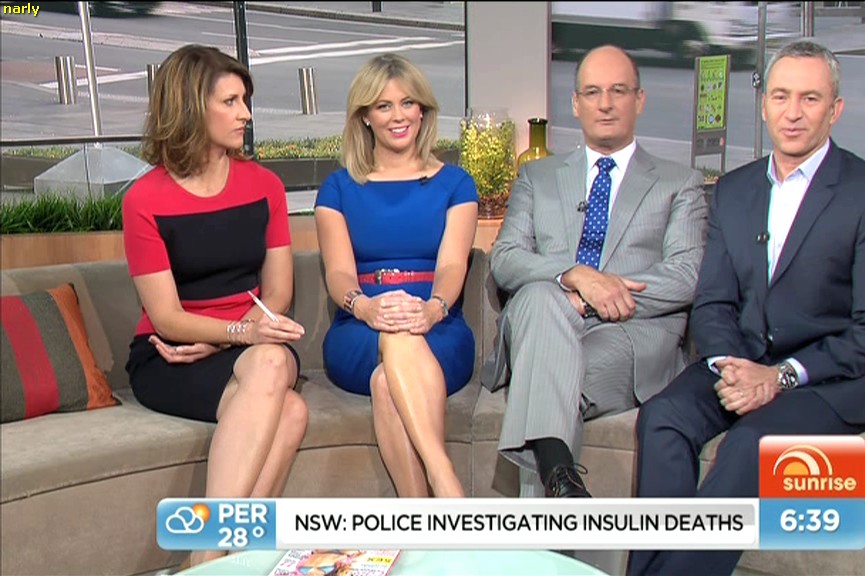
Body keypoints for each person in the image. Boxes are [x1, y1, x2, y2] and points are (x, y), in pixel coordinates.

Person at [627, 40, 865, 576]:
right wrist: (732, 365)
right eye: (781, 96)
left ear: (835, 109)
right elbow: (714, 301)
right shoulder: (735, 190)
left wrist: (780, 376)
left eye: (810, 98)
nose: (793, 112)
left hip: (832, 380)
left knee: (752, 444)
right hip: (744, 361)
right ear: (763, 105)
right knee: (663, 417)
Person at [484, 44, 708, 498]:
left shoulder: (679, 182)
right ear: (575, 103)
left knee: (545, 378)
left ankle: (555, 487)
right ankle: (562, 488)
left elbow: (686, 274)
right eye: (592, 92)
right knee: (541, 299)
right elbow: (505, 258)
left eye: (618, 91)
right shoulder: (537, 177)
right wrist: (573, 274)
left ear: (639, 100)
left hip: (628, 332)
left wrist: (594, 295)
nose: (605, 104)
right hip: (543, 317)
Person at [122, 45, 308, 568]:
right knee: (289, 407)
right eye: (230, 102)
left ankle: (208, 559)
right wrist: (231, 336)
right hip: (171, 354)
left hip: (249, 341)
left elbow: (277, 294)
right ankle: (221, 560)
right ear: (189, 108)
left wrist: (231, 337)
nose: (245, 114)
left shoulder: (264, 186)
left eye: (245, 100)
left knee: (272, 367)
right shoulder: (144, 199)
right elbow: (166, 317)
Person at [314, 53, 478, 498]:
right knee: (394, 337)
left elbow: (452, 265)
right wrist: (365, 307)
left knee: (388, 382)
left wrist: (433, 309)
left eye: (408, 103)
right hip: (360, 327)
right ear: (365, 116)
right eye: (384, 106)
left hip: (439, 325)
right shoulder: (339, 188)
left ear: (423, 110)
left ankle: (421, 513)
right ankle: (445, 479)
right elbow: (339, 271)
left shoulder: (456, 184)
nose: (399, 116)